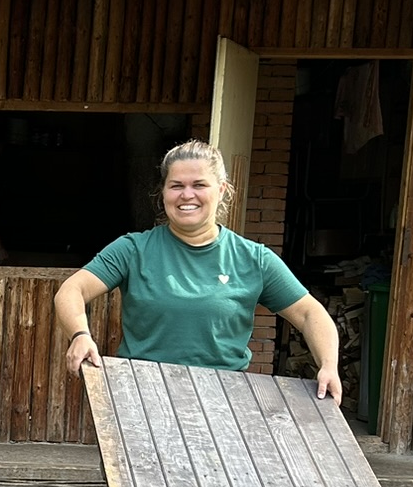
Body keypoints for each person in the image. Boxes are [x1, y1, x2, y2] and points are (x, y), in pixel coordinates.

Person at [53, 140, 342, 399]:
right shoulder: (133, 249)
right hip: (142, 395)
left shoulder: (254, 259)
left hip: (224, 399)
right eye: (176, 185)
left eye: (199, 185)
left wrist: (328, 365)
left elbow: (309, 313)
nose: (187, 194)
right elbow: (72, 290)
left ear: (221, 190)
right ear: (163, 192)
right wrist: (80, 334)